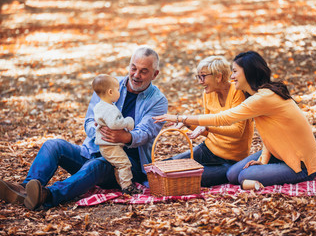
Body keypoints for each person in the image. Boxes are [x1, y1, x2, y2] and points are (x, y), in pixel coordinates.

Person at [0, 46, 168, 210]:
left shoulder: (158, 101)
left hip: (127, 166)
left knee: (97, 165)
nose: (136, 75)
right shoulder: (108, 85)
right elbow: (88, 121)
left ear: (155, 74)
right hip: (94, 150)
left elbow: (145, 133)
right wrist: (96, 128)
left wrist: (125, 137)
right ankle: (25, 190)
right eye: (133, 68)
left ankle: (47, 195)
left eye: (143, 71)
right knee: (53, 146)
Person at [153, 51, 316, 190]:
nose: (231, 76)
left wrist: (179, 117)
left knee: (244, 175)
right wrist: (263, 159)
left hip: (302, 165)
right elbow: (272, 135)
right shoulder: (258, 96)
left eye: (234, 71)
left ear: (248, 72)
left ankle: (264, 178)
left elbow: (224, 118)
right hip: (280, 154)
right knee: (233, 175)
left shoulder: (264, 97)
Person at [169, 56, 253, 187]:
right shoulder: (208, 93)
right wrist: (188, 124)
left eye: (203, 76)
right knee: (167, 165)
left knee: (185, 177)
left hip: (230, 160)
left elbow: (238, 132)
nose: (200, 82)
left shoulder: (237, 92)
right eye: (198, 77)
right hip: (208, 149)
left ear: (218, 77)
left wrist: (207, 127)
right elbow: (206, 131)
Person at [92, 74, 141, 195]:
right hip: (110, 146)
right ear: (110, 92)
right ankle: (127, 186)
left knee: (118, 165)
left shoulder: (100, 106)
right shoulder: (109, 109)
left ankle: (122, 185)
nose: (119, 92)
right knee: (124, 163)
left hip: (107, 146)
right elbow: (114, 124)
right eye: (118, 90)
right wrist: (128, 122)